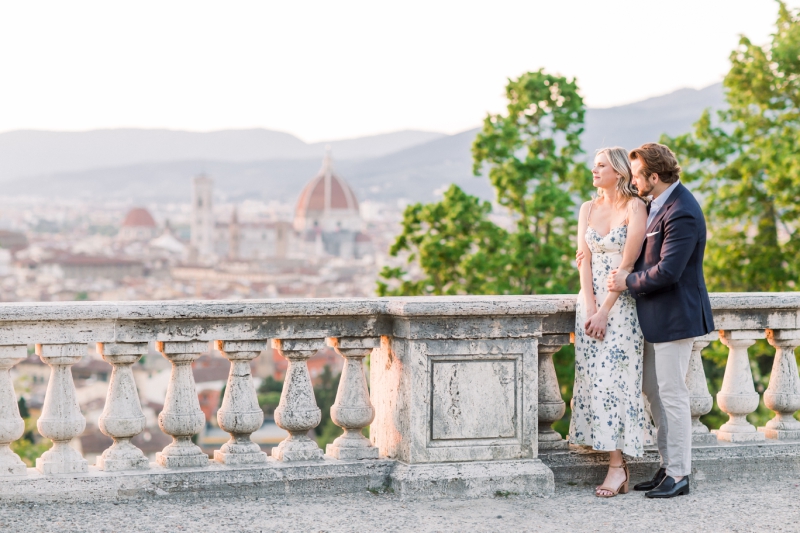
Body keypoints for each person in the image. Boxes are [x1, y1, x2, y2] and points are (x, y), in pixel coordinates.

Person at [605, 142, 715, 499]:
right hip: (654, 318)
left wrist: (626, 281)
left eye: (637, 175)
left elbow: (667, 272)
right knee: (656, 395)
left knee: (673, 395)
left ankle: (680, 475)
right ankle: (668, 467)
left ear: (654, 176)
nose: (632, 181)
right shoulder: (657, 204)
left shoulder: (682, 210)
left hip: (675, 316)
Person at [569, 146, 652, 498]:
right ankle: (606, 454)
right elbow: (582, 259)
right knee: (592, 381)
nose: (594, 171)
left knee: (615, 382)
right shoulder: (587, 208)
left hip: (621, 307)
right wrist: (589, 305)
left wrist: (605, 309)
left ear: (618, 171)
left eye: (600, 166)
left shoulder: (635, 207)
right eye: (593, 166)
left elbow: (628, 265)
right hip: (588, 305)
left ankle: (617, 467)